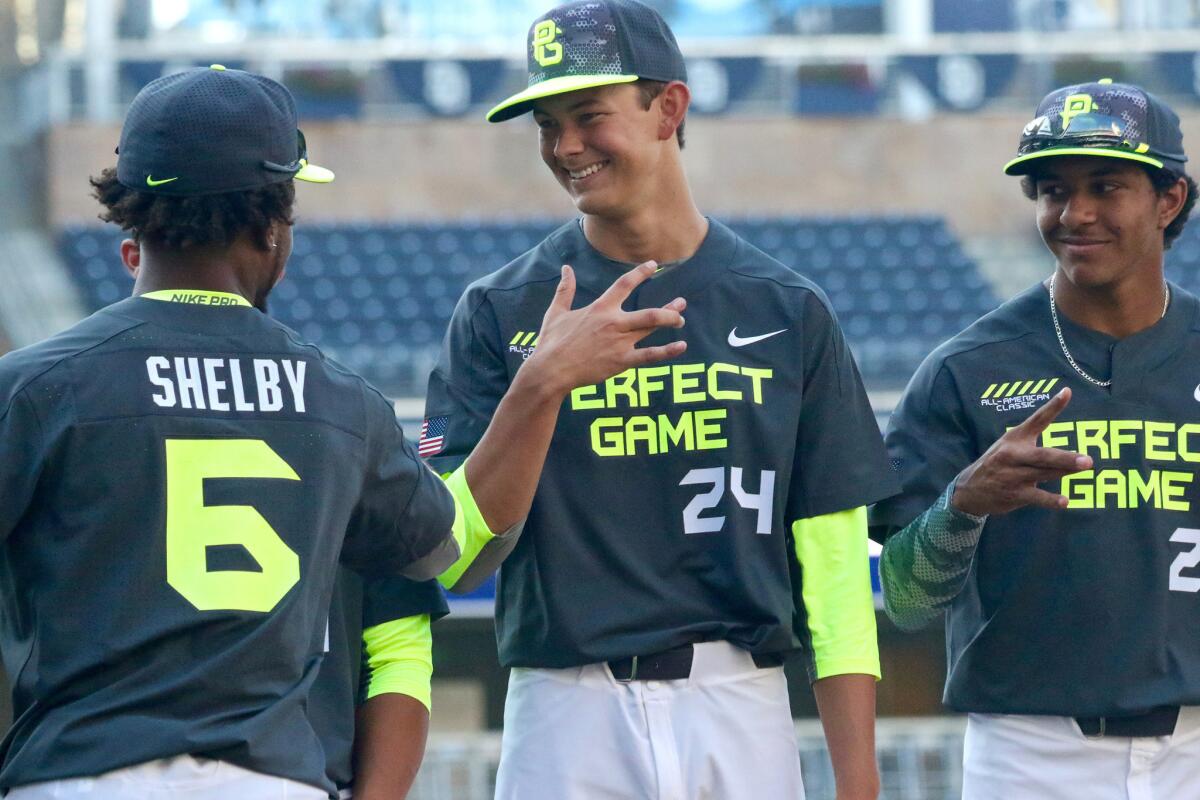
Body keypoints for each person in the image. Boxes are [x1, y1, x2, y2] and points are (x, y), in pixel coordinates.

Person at [421, 2, 899, 797]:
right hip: (562, 706)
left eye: (588, 116)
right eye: (546, 124)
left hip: (739, 699)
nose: (565, 147)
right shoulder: (500, 310)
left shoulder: (786, 307)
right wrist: (539, 386)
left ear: (668, 108)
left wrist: (858, 778)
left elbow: (835, 571)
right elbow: (460, 556)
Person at [0, 65, 461, 799]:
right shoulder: (344, 401)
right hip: (271, 779)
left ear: (131, 212)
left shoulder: (33, 387)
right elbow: (440, 547)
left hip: (75, 775)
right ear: (271, 225)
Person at [871, 79, 1200, 799]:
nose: (1074, 213)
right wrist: (963, 506)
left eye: (1105, 186)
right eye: (1054, 189)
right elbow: (906, 600)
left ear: (1169, 198)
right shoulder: (966, 369)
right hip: (1031, 753)